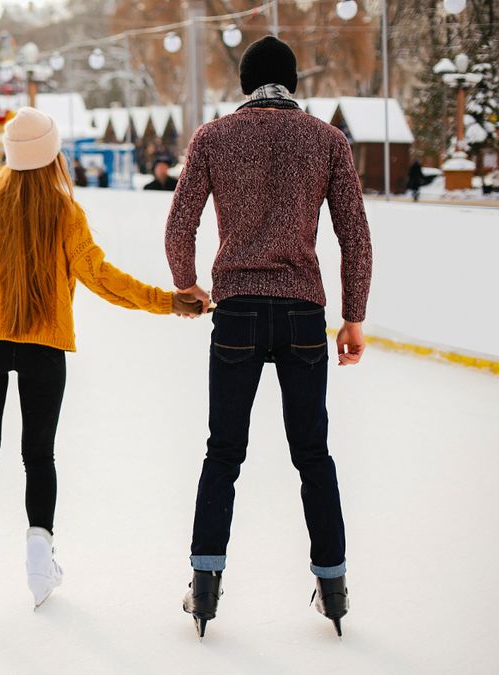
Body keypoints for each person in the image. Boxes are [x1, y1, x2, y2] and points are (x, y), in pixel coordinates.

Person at [0, 107, 203, 609]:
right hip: (44, 346)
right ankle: (40, 563)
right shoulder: (65, 212)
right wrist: (167, 301)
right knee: (39, 457)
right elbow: (101, 277)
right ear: (52, 153)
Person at [164, 36, 372, 639]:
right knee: (314, 455)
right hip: (304, 315)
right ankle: (332, 587)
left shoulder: (214, 137)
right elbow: (354, 236)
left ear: (245, 82)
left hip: (237, 314)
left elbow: (181, 222)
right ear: (293, 83)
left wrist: (188, 284)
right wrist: (352, 316)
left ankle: (204, 586)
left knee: (223, 453)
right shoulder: (328, 140)